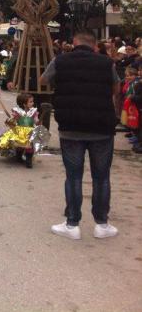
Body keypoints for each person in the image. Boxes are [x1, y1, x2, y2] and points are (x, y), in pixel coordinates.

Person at [40, 31, 119, 240]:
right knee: (101, 177)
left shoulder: (61, 61)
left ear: (74, 44)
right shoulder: (106, 63)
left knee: (73, 177)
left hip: (71, 126)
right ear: (94, 46)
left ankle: (72, 224)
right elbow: (116, 87)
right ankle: (102, 224)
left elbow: (43, 80)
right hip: (101, 128)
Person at [0, 92, 40, 168]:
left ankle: (28, 161)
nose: (32, 103)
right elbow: (14, 120)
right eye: (30, 102)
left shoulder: (33, 111)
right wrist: (11, 120)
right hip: (19, 131)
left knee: (29, 146)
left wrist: (38, 122)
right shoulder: (18, 111)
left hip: (30, 131)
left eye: (32, 101)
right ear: (24, 104)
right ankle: (19, 157)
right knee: (19, 145)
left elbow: (36, 120)